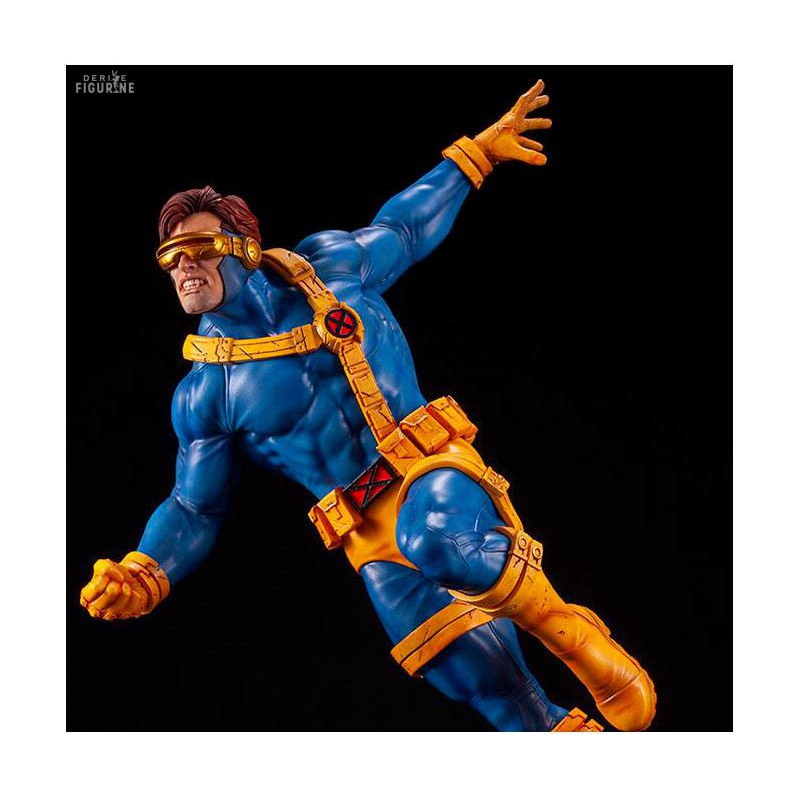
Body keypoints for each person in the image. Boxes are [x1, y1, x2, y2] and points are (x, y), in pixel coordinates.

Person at [79, 81, 656, 732]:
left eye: (199, 249)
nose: (183, 266)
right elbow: (193, 505)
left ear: (243, 246)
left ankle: (565, 629)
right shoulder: (206, 393)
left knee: (436, 539)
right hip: (361, 527)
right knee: (478, 681)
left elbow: (404, 229)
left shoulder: (329, 271)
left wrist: (476, 155)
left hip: (427, 464)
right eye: (170, 256)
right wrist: (143, 570)